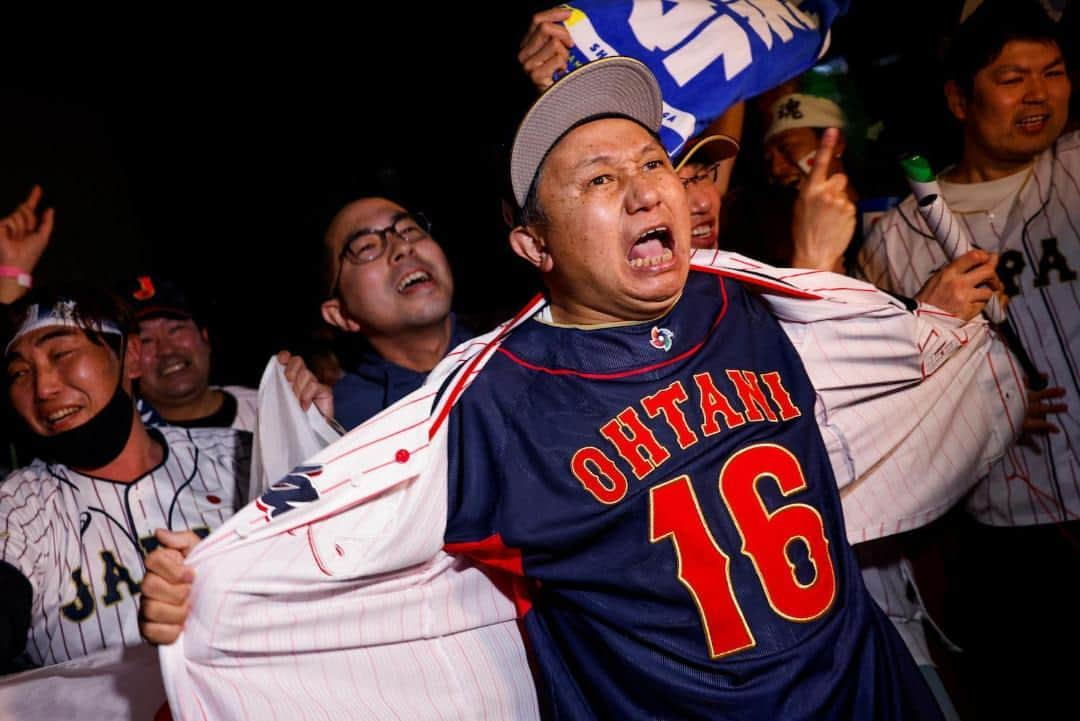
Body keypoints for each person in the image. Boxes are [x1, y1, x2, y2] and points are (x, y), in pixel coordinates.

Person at [141, 57, 1023, 721]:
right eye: (599, 179)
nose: (645, 188)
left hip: (873, 696)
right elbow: (337, 528)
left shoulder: (747, 300)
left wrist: (941, 335)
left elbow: (885, 373)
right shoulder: (493, 402)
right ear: (535, 246)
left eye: (651, 163)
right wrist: (210, 581)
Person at [857, 2, 1077, 715]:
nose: (1039, 93)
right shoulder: (897, 240)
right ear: (959, 98)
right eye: (1013, 78)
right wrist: (969, 397)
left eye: (1055, 72)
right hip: (1009, 543)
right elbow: (881, 406)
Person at [0, 286, 248, 671]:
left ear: (130, 357)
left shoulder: (239, 455)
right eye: (19, 372)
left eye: (62, 354)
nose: (44, 387)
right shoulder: (19, 506)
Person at [318, 197, 471, 430]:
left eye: (409, 230)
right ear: (340, 315)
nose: (402, 247)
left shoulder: (520, 356)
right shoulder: (342, 424)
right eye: (366, 247)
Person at [123, 274, 258, 432]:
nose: (166, 349)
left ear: (205, 338)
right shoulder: (127, 445)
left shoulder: (271, 409)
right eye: (145, 340)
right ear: (128, 361)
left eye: (175, 330)